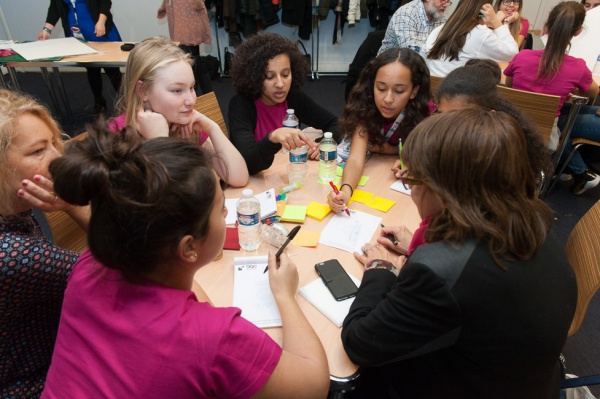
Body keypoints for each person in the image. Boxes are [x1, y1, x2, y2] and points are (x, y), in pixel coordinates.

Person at [41, 125, 329, 398]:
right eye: (220, 211)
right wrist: (285, 295)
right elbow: (314, 385)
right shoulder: (215, 338)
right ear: (189, 247)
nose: (226, 217)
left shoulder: (89, 265)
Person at [341, 108, 577, 399]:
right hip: (527, 379)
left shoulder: (438, 270)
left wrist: (380, 269)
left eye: (413, 181)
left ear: (443, 191)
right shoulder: (533, 220)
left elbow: (360, 342)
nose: (412, 191)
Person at [0, 89, 89, 397]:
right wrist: (72, 204)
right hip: (36, 383)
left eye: (53, 143)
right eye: (38, 151)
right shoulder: (13, 255)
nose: (57, 157)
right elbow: (124, 269)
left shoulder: (15, 211)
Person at [111, 36, 248, 187]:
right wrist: (159, 142)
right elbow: (170, 201)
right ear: (143, 91)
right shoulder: (114, 138)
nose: (191, 100)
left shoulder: (184, 124)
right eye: (177, 90)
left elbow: (239, 178)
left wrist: (212, 128)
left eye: (191, 88)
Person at [504, 1, 600, 195]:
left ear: (547, 25)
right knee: (573, 115)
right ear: (578, 31)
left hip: (509, 128)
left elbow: (509, 85)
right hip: (544, 139)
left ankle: (578, 172)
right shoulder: (578, 67)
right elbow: (593, 93)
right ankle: (576, 172)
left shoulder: (522, 57)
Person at [328, 48, 431, 214]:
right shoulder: (365, 106)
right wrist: (346, 191)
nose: (388, 99)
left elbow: (430, 155)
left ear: (414, 91)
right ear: (372, 85)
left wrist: (409, 160)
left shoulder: (427, 112)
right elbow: (355, 158)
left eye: (399, 91)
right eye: (381, 88)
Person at [228, 33, 340, 175]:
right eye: (269, 76)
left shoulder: (293, 97)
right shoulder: (241, 105)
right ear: (254, 77)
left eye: (286, 74)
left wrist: (322, 144)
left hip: (288, 175)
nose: (280, 84)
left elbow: (336, 123)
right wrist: (272, 138)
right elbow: (247, 162)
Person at [433, 63, 553, 183]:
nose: (448, 125)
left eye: (461, 118)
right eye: (442, 115)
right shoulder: (436, 135)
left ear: (490, 116)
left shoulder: (496, 155)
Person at [39, 0, 123, 114]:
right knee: (92, 69)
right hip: (79, 34)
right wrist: (46, 29)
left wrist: (101, 21)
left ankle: (125, 102)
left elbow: (105, 2)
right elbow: (55, 7)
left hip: (99, 30)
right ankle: (99, 101)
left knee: (111, 69)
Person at [423, 0, 518, 77]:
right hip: (456, 94)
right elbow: (512, 53)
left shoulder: (442, 28)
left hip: (432, 91)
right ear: (485, 11)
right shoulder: (479, 33)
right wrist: (496, 22)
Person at [157, 0, 214, 95]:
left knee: (193, 59)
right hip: (180, 18)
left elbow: (199, 4)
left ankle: (202, 94)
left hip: (190, 19)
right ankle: (197, 93)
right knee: (191, 59)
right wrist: (164, 6)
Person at [378, 0, 449, 56]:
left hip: (421, 66)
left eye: (448, 1)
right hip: (390, 65)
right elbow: (410, 52)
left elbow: (447, 44)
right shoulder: (406, 13)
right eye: (442, 0)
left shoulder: (442, 17)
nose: (446, 5)